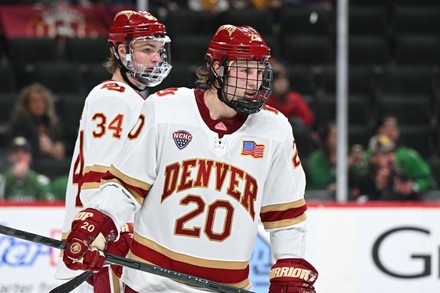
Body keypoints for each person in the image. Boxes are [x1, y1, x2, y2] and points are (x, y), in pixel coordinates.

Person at [61, 24, 318, 292]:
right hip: (152, 286)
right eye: (245, 70)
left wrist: (290, 264)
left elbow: (286, 217)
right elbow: (125, 186)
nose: (254, 82)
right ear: (217, 68)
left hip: (226, 287)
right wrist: (96, 221)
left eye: (259, 70)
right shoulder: (165, 109)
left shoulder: (275, 130)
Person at [55, 9, 172, 292]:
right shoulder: (114, 98)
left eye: (159, 50)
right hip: (114, 248)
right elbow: (99, 177)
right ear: (122, 50)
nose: (156, 58)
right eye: (147, 49)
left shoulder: (130, 99)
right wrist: (106, 234)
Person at [350, 134, 437, 201]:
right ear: (373, 158)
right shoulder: (364, 178)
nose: (390, 157)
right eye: (384, 154)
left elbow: (429, 184)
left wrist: (410, 189)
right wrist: (380, 188)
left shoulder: (401, 176)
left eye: (391, 153)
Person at [7, 82, 66, 162]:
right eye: (34, 101)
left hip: (53, 162)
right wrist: (47, 148)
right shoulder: (19, 123)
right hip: (31, 163)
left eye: (41, 101)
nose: (38, 104)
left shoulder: (52, 123)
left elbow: (63, 141)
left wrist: (60, 146)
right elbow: (20, 147)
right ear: (26, 104)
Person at [0, 136, 54, 201]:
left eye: (24, 151)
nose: (19, 155)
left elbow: (49, 204)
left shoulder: (40, 180)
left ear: (30, 157)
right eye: (15, 151)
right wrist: (11, 175)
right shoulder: (3, 178)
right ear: (9, 157)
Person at [266, 62, 315, 127]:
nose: (282, 84)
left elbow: (308, 118)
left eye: (284, 81)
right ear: (271, 83)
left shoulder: (295, 98)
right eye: (278, 81)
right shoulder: (265, 100)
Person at [306, 121, 336, 194]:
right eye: (335, 136)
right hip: (319, 198)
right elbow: (320, 182)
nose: (340, 139)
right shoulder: (316, 159)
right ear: (326, 138)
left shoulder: (346, 156)